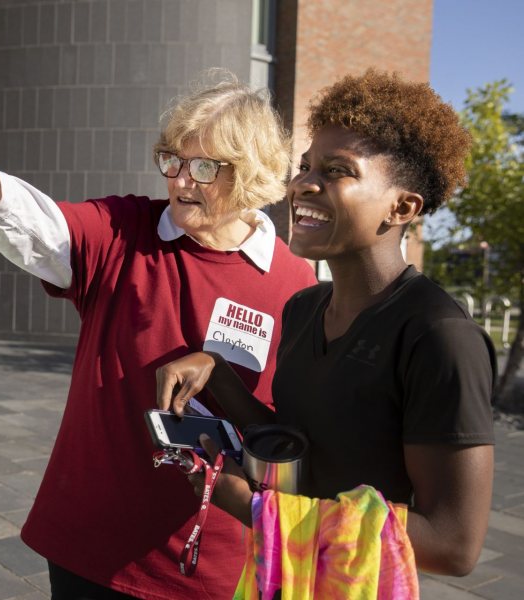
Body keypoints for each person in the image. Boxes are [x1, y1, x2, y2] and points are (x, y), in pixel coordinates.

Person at [0, 73, 317, 599]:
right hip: (90, 546)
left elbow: (295, 426)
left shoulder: (295, 284)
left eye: (205, 167)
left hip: (211, 561)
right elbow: (39, 227)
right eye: (173, 160)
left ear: (252, 174)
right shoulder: (127, 232)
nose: (181, 181)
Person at [157, 70, 495, 585]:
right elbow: (298, 444)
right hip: (283, 578)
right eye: (306, 165)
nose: (303, 184)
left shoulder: (438, 335)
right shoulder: (304, 309)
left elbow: (453, 543)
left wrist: (257, 512)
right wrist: (219, 375)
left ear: (402, 207)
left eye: (338, 170)